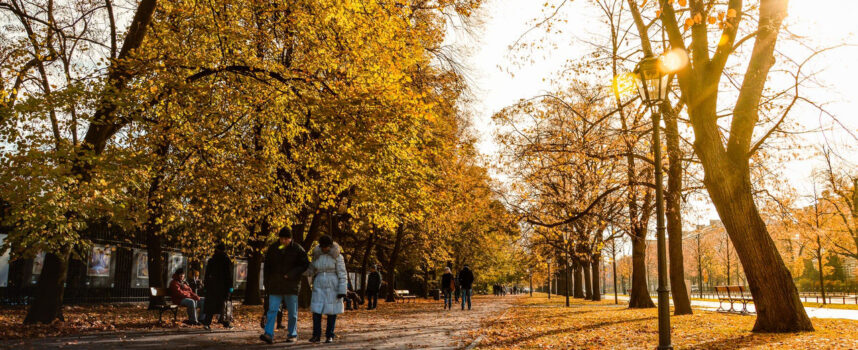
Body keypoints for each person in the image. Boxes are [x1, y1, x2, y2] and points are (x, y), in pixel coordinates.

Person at [260, 228, 310, 344]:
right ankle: (268, 334)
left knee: (292, 313)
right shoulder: (273, 248)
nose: (283, 241)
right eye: (281, 238)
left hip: (291, 286)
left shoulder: (297, 249)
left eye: (286, 239)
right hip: (275, 285)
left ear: (290, 238)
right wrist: (266, 283)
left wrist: (292, 274)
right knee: (272, 310)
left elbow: (305, 264)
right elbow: (267, 267)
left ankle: (292, 334)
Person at [307, 235, 347, 343]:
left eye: (327, 247)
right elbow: (311, 270)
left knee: (332, 311)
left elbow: (342, 273)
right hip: (319, 283)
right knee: (316, 310)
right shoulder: (317, 255)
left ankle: (330, 335)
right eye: (323, 247)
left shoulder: (337, 256)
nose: (325, 249)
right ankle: (316, 335)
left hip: (332, 284)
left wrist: (342, 290)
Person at [202, 243, 233, 330]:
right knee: (224, 305)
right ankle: (225, 322)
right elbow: (229, 275)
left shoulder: (212, 260)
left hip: (212, 287)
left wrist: (206, 286)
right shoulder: (226, 260)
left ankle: (207, 323)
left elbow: (207, 275)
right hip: (223, 287)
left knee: (210, 306)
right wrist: (230, 287)